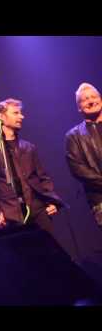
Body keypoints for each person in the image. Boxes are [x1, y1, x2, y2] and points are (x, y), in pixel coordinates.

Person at [0, 98, 63, 233]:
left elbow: (43, 177)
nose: (21, 116)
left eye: (20, 113)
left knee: (51, 250)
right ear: (1, 117)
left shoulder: (29, 147)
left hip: (39, 211)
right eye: (16, 113)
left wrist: (52, 200)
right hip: (12, 215)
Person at [66, 83, 102, 230]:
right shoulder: (73, 136)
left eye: (94, 96)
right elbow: (78, 169)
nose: (91, 101)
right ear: (79, 108)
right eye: (85, 99)